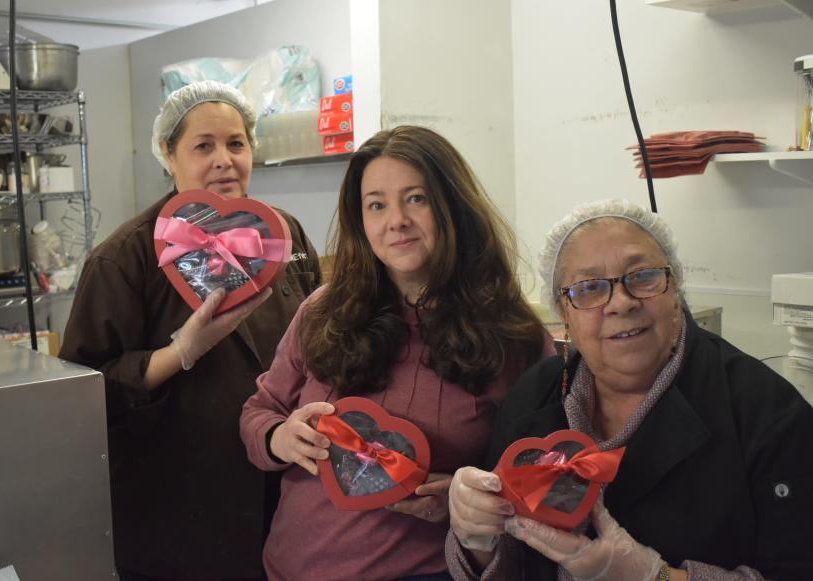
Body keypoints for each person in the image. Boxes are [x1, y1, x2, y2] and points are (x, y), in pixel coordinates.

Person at [239, 125, 553, 581]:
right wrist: (278, 438)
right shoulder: (323, 310)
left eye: (416, 199)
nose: (396, 221)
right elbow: (258, 410)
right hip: (289, 565)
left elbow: (541, 478)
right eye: (377, 205)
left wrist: (465, 502)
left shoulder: (513, 334)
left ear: (453, 206)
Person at [446, 199, 813, 581]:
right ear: (563, 312)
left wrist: (657, 577)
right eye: (588, 288)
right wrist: (477, 540)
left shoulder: (768, 412)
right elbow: (511, 564)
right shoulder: (532, 396)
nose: (621, 303)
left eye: (643, 276)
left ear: (675, 289)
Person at [59, 80, 321, 580]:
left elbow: (320, 336)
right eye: (203, 145)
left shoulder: (283, 235)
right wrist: (180, 352)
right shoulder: (123, 259)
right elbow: (85, 393)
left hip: (283, 491)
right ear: (167, 152)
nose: (224, 159)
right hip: (179, 511)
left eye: (236, 143)